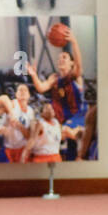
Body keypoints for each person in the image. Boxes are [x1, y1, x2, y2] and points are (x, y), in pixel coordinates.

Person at [28, 27, 94, 160]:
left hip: (78, 115)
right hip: (61, 117)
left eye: (64, 57)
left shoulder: (75, 76)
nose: (61, 59)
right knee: (67, 148)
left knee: (67, 135)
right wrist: (34, 75)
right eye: (59, 58)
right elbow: (41, 88)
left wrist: (74, 42)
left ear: (71, 63)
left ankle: (82, 140)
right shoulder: (54, 78)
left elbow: (79, 65)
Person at [0, 83, 35, 163]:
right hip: (8, 148)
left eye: (25, 90)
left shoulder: (30, 111)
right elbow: (3, 98)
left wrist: (19, 125)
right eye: (20, 90)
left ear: (29, 95)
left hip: (22, 148)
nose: (23, 92)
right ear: (16, 94)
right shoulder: (12, 104)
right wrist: (11, 114)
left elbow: (28, 135)